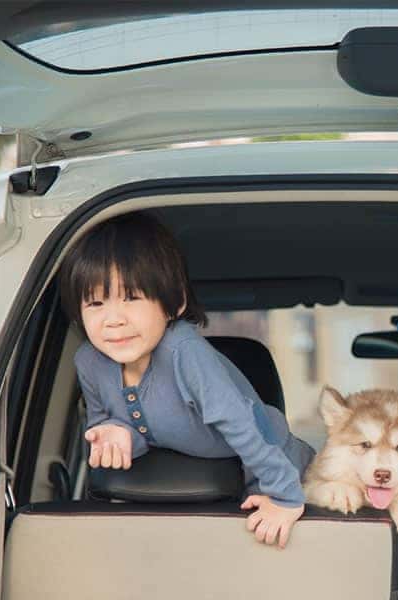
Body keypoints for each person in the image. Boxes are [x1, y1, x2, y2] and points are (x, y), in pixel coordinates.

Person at [60, 212, 314, 549]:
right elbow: (107, 422)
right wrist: (117, 434)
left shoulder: (184, 351)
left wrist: (284, 493)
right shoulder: (89, 363)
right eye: (95, 303)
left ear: (174, 302)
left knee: (267, 541)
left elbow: (238, 421)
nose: (113, 320)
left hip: (271, 453)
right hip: (225, 463)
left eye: (132, 298)